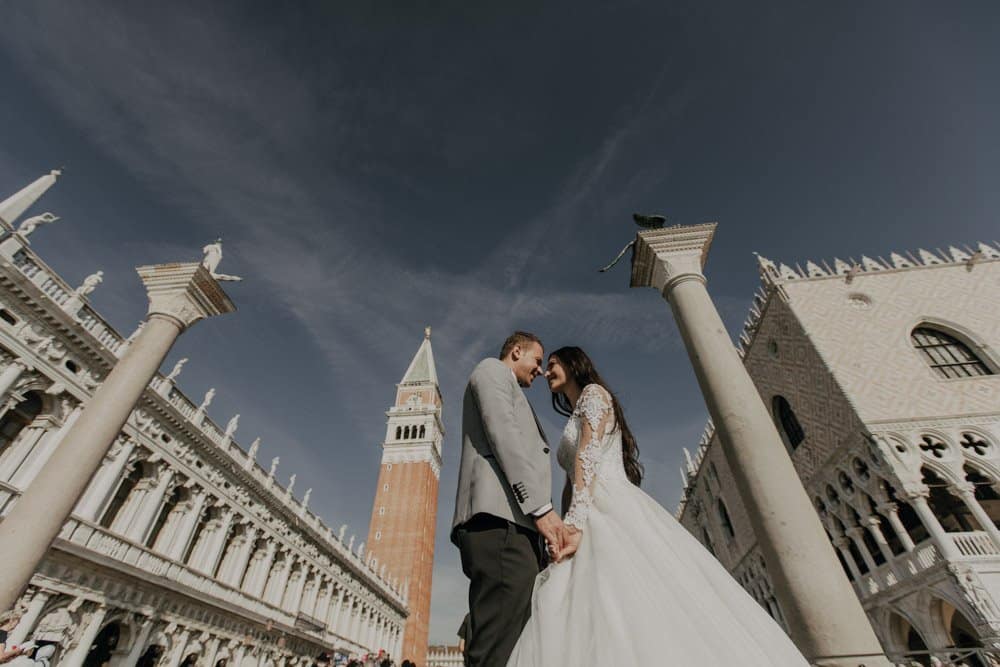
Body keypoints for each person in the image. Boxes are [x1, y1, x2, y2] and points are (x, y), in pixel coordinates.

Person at [506, 346, 811, 666]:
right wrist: (564, 524)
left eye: (552, 364)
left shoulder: (594, 394)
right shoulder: (575, 411)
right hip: (584, 507)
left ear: (573, 364)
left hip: (607, 507)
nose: (545, 372)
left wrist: (577, 523)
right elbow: (573, 477)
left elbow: (588, 457)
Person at [451, 332, 570, 666]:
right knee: (497, 647)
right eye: (537, 360)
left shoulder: (509, 385)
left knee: (513, 637)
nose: (541, 370)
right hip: (500, 521)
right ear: (517, 351)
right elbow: (503, 433)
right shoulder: (491, 370)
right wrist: (541, 509)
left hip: (513, 525)